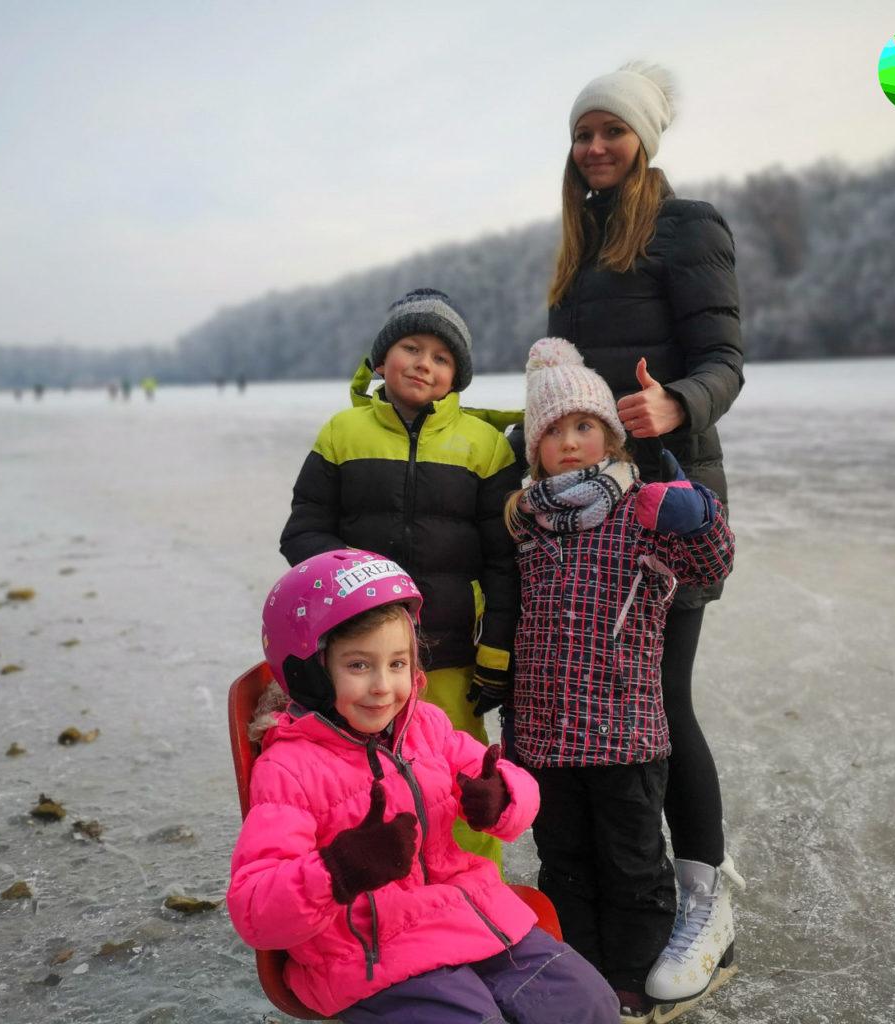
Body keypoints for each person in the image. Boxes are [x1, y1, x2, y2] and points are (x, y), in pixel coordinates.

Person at [546, 62, 747, 1006]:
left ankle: (706, 899)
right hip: (589, 507)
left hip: (668, 500)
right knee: (606, 701)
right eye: (583, 133)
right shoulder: (578, 245)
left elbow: (725, 361)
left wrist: (677, 402)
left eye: (611, 131)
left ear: (644, 140)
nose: (595, 147)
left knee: (662, 697)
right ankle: (619, 894)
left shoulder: (687, 225)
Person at [227, 549, 620, 1024]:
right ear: (309, 672)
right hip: (369, 951)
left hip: (470, 914)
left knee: (590, 1006)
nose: (383, 686)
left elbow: (518, 789)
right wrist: (339, 869)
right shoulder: (289, 769)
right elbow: (256, 911)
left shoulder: (426, 726)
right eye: (359, 665)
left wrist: (501, 796)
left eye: (398, 663)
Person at [504, 339, 735, 1022]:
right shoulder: (527, 524)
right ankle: (582, 980)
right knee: (565, 865)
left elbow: (710, 566)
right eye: (554, 432)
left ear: (610, 436)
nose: (570, 442)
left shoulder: (641, 513)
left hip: (626, 734)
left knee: (633, 867)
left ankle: (633, 983)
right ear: (536, 449)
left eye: (584, 426)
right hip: (547, 737)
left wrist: (700, 516)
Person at [278, 288, 520, 869]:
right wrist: (362, 584)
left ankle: (476, 883)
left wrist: (496, 652)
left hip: (449, 652)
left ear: (457, 375)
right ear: (382, 357)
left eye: (441, 357)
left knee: (463, 778)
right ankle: (380, 890)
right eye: (411, 347)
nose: (423, 364)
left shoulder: (485, 447)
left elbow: (504, 561)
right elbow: (302, 533)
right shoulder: (343, 433)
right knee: (359, 780)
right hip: (359, 655)